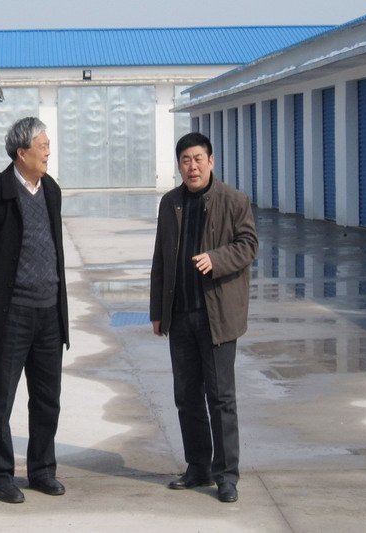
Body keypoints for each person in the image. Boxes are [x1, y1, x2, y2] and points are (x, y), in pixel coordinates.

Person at [0, 117, 69, 504]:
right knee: (1, 399)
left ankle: (42, 470)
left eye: (48, 145)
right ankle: (0, 476)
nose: (48, 152)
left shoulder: (51, 190)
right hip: (11, 315)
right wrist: (0, 277)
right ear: (22, 153)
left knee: (47, 399)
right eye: (42, 146)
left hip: (49, 313)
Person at [150, 132, 258, 503]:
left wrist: (217, 259)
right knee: (187, 396)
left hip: (218, 317)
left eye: (198, 159)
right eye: (185, 160)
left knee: (221, 398)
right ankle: (197, 467)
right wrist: (157, 311)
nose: (192, 167)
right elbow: (161, 258)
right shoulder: (171, 203)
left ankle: (226, 476)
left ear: (211, 161)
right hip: (180, 316)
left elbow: (249, 245)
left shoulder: (234, 201)